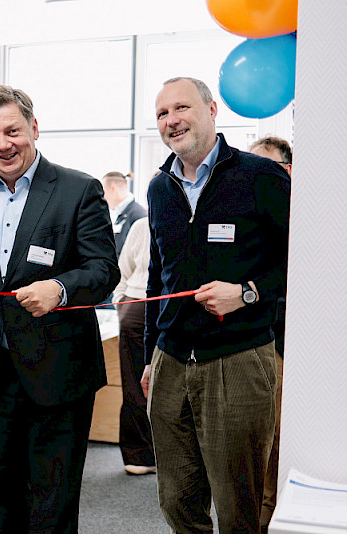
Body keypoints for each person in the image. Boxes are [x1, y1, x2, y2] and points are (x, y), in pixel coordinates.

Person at [0, 85, 119, 533]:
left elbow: (104, 269)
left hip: (60, 373)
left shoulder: (78, 189)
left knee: (54, 502)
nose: (3, 143)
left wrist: (60, 288)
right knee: (4, 497)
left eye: (12, 130)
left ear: (34, 128)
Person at [141, 78, 290, 533]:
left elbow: (305, 262)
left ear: (211, 109)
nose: (172, 120)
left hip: (239, 359)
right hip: (171, 360)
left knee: (236, 505)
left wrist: (245, 292)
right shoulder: (159, 188)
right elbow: (156, 277)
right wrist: (151, 354)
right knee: (176, 501)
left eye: (181, 107)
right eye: (163, 114)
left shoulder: (261, 177)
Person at [249, 135, 292, 532]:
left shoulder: (301, 222)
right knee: (258, 450)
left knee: (278, 449)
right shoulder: (248, 222)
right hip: (257, 345)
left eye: (267, 167)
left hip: (291, 348)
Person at [111, 216, 155, 476]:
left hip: (176, 306)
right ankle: (139, 456)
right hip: (138, 306)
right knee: (134, 385)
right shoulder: (142, 225)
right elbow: (123, 269)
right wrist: (122, 303)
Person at [101, 171, 146, 257]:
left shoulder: (137, 215)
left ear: (112, 188)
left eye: (103, 191)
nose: (101, 196)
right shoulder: (122, 214)